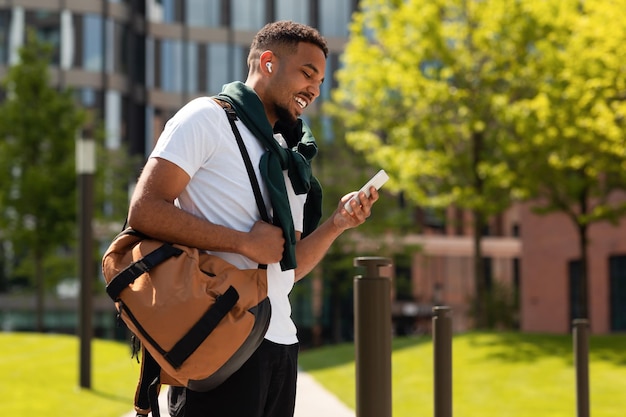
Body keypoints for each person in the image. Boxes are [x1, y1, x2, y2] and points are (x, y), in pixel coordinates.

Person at [127, 20, 379, 417]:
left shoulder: (286, 156)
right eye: (307, 74)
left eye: (321, 81)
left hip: (279, 341)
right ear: (268, 63)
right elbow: (144, 210)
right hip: (218, 339)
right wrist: (242, 242)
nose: (314, 89)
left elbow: (285, 270)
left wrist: (336, 224)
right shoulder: (206, 118)